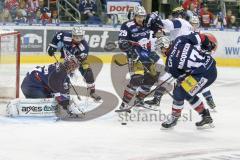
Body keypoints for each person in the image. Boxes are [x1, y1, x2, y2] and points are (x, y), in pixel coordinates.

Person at [157, 33, 217, 129]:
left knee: (179, 93)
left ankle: (174, 117)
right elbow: (201, 37)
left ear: (165, 47)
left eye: (160, 49)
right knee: (187, 93)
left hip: (204, 75)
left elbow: (181, 77)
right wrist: (207, 47)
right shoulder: (179, 40)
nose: (160, 51)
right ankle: (206, 117)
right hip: (210, 66)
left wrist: (180, 82)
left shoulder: (170, 64)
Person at [117, 5, 162, 111]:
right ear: (134, 16)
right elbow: (121, 42)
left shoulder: (147, 23)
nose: (141, 19)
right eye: (139, 16)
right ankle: (124, 104)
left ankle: (139, 100)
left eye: (143, 16)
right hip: (134, 54)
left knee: (153, 76)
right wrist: (132, 53)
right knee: (137, 79)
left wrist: (157, 19)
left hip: (148, 53)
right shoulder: (127, 25)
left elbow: (160, 29)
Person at [47, 26, 101, 102]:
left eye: (80, 37)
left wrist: (70, 67)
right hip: (64, 57)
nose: (77, 39)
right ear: (72, 35)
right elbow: (57, 35)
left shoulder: (84, 47)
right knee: (60, 74)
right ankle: (63, 93)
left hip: (78, 60)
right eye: (75, 37)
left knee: (88, 72)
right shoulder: (65, 36)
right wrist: (52, 46)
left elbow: (80, 61)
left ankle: (92, 92)